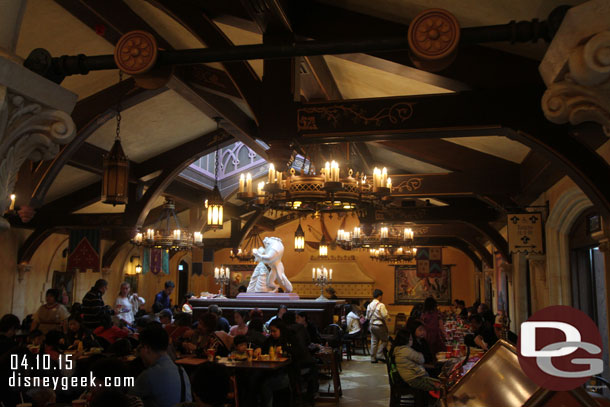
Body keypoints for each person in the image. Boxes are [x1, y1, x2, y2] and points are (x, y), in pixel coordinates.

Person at [130, 326, 192, 407]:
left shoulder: (149, 375)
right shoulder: (181, 371)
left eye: (139, 348)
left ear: (146, 348)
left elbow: (126, 400)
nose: (138, 353)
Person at [390, 328, 440, 406]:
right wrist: (419, 353)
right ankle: (432, 404)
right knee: (439, 386)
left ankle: (428, 402)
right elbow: (421, 359)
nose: (412, 341)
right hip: (415, 379)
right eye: (410, 339)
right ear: (405, 340)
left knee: (438, 382)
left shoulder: (398, 350)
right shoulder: (406, 350)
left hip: (410, 377)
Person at [366, 289, 390, 363]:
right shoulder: (380, 305)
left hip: (371, 325)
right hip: (379, 325)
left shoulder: (369, 305)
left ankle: (373, 358)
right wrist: (388, 318)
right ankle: (380, 354)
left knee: (374, 341)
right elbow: (384, 315)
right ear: (379, 296)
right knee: (385, 340)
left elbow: (367, 316)